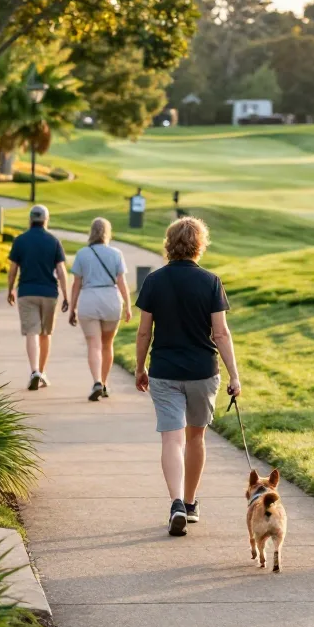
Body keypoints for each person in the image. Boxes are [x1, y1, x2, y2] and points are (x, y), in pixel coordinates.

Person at [135, 217, 241, 536]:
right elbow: (221, 334)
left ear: (169, 244)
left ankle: (177, 502)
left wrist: (140, 368)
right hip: (202, 371)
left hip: (165, 370)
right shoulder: (211, 282)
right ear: (200, 245)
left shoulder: (154, 281)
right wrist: (235, 375)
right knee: (195, 438)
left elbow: (143, 333)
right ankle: (191, 504)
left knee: (171, 437)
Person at [69, 218, 133, 401]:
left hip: (89, 300)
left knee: (94, 344)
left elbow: (76, 284)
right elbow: (122, 282)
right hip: (111, 300)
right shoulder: (116, 253)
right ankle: (104, 384)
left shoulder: (82, 254)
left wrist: (72, 308)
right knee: (107, 345)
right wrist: (128, 305)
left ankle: (97, 381)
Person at [7, 205, 69, 391]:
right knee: (45, 334)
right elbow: (61, 271)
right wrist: (66, 296)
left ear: (30, 220)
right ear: (46, 220)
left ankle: (35, 371)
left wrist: (10, 289)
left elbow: (12, 270)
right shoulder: (53, 241)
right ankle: (41, 372)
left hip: (27, 292)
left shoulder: (20, 240)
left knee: (31, 332)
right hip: (49, 293)